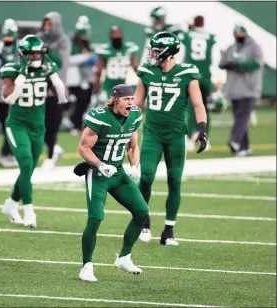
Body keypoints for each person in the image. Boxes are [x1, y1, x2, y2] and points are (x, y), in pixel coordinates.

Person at [134, 32, 208, 245]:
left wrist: (202, 128)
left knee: (174, 181)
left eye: (157, 50)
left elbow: (198, 104)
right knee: (146, 177)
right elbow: (138, 105)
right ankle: (144, 221)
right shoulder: (147, 72)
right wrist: (128, 127)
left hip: (176, 135)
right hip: (152, 133)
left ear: (168, 52)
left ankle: (168, 231)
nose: (153, 54)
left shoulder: (187, 73)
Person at [74, 84, 148, 282]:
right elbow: (83, 148)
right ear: (116, 100)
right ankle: (86, 266)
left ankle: (124, 257)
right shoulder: (99, 117)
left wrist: (135, 166)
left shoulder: (134, 115)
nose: (131, 103)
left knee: (142, 211)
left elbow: (133, 145)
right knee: (96, 217)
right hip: (98, 174)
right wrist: (99, 164)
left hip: (118, 172)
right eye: (127, 99)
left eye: (132, 99)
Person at [0, 34, 67, 228]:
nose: (37, 57)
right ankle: (28, 210)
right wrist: (22, 74)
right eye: (33, 54)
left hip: (38, 126)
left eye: (39, 54)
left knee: (27, 170)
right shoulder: (12, 69)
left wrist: (54, 78)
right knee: (27, 164)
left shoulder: (47, 67)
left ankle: (11, 204)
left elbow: (62, 96)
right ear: (23, 54)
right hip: (17, 125)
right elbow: (9, 99)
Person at [220, 24, 264, 157]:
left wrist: (239, 65)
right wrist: (228, 64)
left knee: (242, 117)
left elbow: (257, 64)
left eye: (240, 34)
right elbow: (221, 63)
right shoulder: (231, 48)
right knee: (239, 118)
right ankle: (244, 148)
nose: (238, 36)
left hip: (249, 88)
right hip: (234, 89)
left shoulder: (254, 48)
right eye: (236, 34)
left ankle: (235, 140)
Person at [36, 12, 71, 170]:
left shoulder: (63, 40)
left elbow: (61, 63)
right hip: (38, 87)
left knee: (53, 124)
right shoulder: (38, 37)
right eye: (46, 24)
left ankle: (50, 155)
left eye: (50, 24)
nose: (47, 27)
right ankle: (54, 148)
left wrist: (47, 51)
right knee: (38, 125)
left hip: (56, 88)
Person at [181, 16, 216, 151]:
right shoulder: (211, 37)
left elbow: (181, 56)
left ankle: (190, 139)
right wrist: (218, 78)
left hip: (191, 76)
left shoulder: (187, 36)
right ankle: (205, 138)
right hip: (206, 76)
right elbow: (214, 58)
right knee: (205, 109)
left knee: (191, 108)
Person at [0, 19, 20, 167]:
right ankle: (5, 154)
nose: (8, 39)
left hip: (16, 94)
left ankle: (8, 153)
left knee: (14, 126)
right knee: (8, 126)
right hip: (1, 95)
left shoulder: (20, 49)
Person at [94, 26, 139, 107]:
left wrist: (143, 81)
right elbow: (98, 71)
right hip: (108, 86)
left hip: (122, 84)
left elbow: (136, 67)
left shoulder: (128, 49)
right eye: (115, 38)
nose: (117, 40)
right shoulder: (105, 50)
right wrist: (97, 86)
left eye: (118, 38)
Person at [66, 16, 97, 135]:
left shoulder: (86, 44)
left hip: (85, 78)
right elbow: (69, 60)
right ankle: (73, 123)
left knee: (84, 101)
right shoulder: (72, 45)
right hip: (74, 79)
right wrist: (86, 57)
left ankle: (76, 123)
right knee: (76, 101)